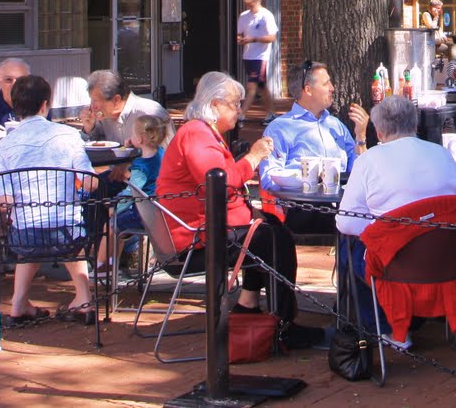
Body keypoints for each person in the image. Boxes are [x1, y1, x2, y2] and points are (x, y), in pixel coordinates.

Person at [153, 72, 303, 325]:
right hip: (194, 238)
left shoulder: (204, 133)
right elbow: (218, 184)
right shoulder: (196, 133)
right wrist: (253, 158)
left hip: (207, 227)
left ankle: (249, 304)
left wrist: (250, 211)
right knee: (274, 240)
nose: (239, 110)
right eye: (234, 104)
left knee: (272, 228)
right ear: (214, 105)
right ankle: (284, 324)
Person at [335, 96, 456, 341]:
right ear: (414, 125)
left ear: (379, 130)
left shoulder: (369, 160)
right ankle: (413, 317)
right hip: (450, 260)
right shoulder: (441, 154)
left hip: (397, 264)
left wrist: (381, 225)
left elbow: (346, 222)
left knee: (350, 247)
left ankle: (387, 328)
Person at [0, 74, 97, 324]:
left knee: (30, 240)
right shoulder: (68, 135)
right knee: (72, 238)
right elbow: (90, 182)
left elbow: (3, 201)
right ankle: (83, 297)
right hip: (68, 230)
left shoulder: (3, 146)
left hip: (26, 234)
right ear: (45, 104)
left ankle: (18, 303)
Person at [258, 60, 371, 234]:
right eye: (326, 83)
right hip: (302, 210)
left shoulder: (337, 125)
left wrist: (361, 136)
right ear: (308, 90)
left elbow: (359, 171)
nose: (332, 88)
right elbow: (268, 178)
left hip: (344, 208)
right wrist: (306, 179)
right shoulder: (280, 128)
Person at [99, 112, 173, 274]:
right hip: (157, 208)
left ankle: (102, 264)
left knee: (111, 225)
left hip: (144, 211)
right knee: (118, 226)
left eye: (132, 134)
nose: (130, 136)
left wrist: (114, 206)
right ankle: (112, 263)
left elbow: (132, 191)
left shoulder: (141, 166)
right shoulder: (160, 153)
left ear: (140, 139)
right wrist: (131, 147)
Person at [80, 69, 164, 144]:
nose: (92, 107)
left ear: (116, 100)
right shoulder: (103, 117)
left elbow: (169, 154)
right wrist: (89, 128)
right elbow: (94, 148)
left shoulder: (149, 113)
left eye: (95, 101)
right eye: (91, 100)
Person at [236, 0, 280, 116]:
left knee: (252, 86)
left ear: (258, 1)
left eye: (252, 4)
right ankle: (271, 112)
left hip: (261, 56)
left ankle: (241, 114)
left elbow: (272, 37)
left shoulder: (266, 15)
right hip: (248, 55)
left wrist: (254, 39)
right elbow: (239, 33)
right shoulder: (244, 16)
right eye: (247, 4)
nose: (250, 7)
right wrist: (240, 40)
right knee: (261, 86)